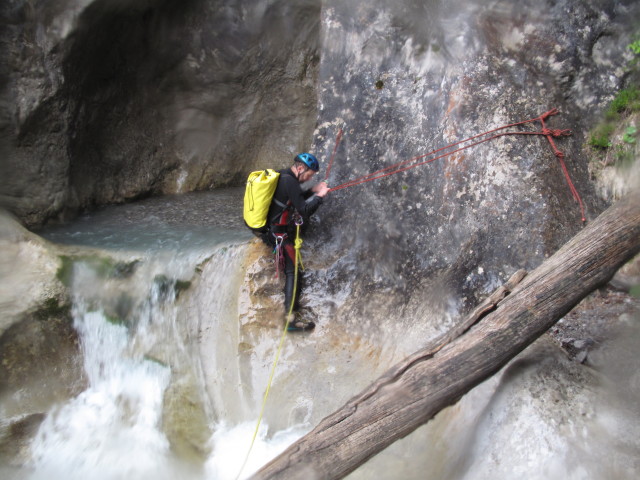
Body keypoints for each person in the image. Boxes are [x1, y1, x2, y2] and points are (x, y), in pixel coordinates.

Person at [258, 153, 329, 331]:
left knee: (294, 270)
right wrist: (319, 197)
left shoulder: (284, 176)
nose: (309, 178)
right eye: (309, 174)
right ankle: (289, 321)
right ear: (300, 168)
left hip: (270, 229)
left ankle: (292, 312)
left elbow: (291, 199)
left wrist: (311, 191)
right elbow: (304, 211)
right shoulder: (290, 181)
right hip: (277, 234)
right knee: (293, 272)